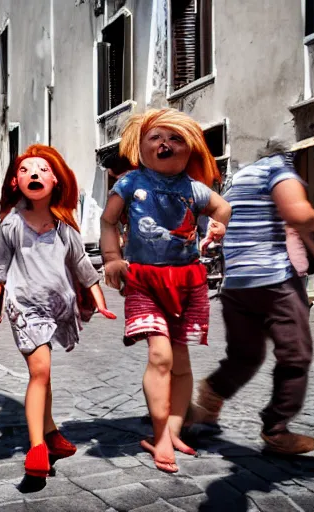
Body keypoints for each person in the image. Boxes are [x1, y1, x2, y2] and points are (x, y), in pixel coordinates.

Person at [100, 108, 231, 473]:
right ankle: (160, 437)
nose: (165, 144)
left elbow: (223, 208)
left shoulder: (195, 189)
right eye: (156, 137)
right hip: (145, 281)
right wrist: (111, 258)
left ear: (190, 149)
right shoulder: (129, 184)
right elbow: (108, 220)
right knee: (160, 357)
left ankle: (174, 430)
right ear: (140, 145)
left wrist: (217, 227)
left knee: (182, 362)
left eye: (175, 138)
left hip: (188, 282)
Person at [191, 145, 314, 455]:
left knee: (246, 355)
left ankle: (211, 396)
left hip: (236, 284)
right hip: (274, 282)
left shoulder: (237, 178)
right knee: (295, 355)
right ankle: (276, 427)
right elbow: (297, 214)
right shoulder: (278, 168)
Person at [0, 144, 116, 481]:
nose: (34, 174)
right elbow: (0, 266)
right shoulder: (11, 225)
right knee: (40, 371)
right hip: (24, 307)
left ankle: (51, 434)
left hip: (56, 308)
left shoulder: (65, 228)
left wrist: (99, 300)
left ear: (57, 181)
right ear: (16, 182)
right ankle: (37, 449)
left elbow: (82, 266)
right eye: (26, 170)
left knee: (44, 374)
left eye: (43, 169)